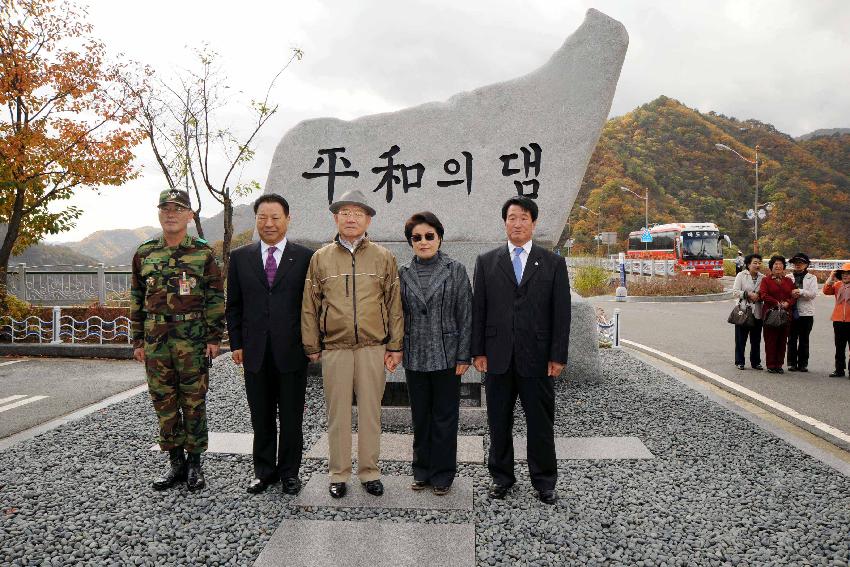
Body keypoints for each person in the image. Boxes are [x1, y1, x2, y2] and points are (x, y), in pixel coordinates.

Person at [301, 189, 404, 499]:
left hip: (373, 347)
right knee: (338, 414)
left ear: (368, 219)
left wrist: (395, 345)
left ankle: (370, 472)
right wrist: (311, 344)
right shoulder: (321, 258)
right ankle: (339, 473)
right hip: (335, 348)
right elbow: (310, 304)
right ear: (335, 218)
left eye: (357, 213)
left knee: (371, 412)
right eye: (345, 212)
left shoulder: (384, 257)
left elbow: (394, 304)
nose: (351, 218)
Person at [471, 196, 571, 505]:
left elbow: (561, 312)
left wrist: (557, 355)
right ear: (505, 222)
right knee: (498, 421)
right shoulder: (487, 261)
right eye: (512, 217)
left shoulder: (552, 262)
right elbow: (479, 310)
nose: (517, 223)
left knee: (540, 423)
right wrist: (479, 351)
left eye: (524, 218)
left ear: (534, 223)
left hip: (538, 359)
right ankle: (501, 477)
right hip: (498, 357)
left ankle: (544, 481)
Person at [130, 189, 225, 491]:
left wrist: (214, 337)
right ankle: (176, 464)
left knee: (194, 402)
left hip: (192, 339)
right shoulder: (145, 252)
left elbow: (214, 296)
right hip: (156, 341)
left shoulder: (202, 253)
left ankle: (195, 464)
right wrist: (137, 341)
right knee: (164, 403)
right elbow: (136, 298)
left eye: (178, 208)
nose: (171, 213)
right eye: (165, 208)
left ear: (190, 215)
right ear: (159, 213)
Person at [225, 194, 314, 495]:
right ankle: (264, 472)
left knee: (291, 418)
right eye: (263, 217)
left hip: (292, 351)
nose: (269, 223)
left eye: (275, 217)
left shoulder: (305, 258)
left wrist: (312, 343)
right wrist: (236, 342)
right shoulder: (240, 258)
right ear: (256, 220)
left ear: (288, 219)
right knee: (260, 417)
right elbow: (233, 305)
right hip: (255, 352)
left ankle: (290, 472)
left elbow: (313, 306)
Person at [398, 212, 472, 496]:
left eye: (429, 236)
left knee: (445, 417)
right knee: (420, 416)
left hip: (447, 355)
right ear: (410, 242)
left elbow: (466, 314)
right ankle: (421, 470)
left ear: (440, 237)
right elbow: (398, 315)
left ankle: (442, 474)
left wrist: (464, 355)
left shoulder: (456, 270)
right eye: (417, 237)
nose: (424, 241)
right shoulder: (402, 273)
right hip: (415, 355)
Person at [759, 255, 796, 374]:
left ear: (784, 267)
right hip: (770, 314)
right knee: (770, 339)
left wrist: (788, 303)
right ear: (771, 267)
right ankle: (771, 364)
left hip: (785, 314)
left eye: (780, 264)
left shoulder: (789, 281)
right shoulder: (766, 280)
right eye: (775, 264)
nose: (778, 266)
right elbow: (763, 295)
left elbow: (793, 296)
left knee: (782, 340)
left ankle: (779, 364)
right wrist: (777, 303)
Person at [732, 253, 764, 370]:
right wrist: (747, 294)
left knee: (756, 339)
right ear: (748, 264)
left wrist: (759, 296)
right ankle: (740, 361)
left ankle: (756, 362)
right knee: (741, 338)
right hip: (744, 311)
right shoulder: (741, 275)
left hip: (757, 312)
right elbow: (735, 292)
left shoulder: (763, 277)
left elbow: (765, 293)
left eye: (759, 263)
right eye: (754, 263)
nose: (757, 265)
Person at [786, 253, 818, 372]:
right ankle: (791, 363)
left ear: (806, 264)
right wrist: (791, 294)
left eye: (800, 262)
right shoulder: (788, 277)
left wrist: (800, 291)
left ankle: (803, 364)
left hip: (806, 313)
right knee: (792, 338)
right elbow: (784, 292)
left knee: (804, 339)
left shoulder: (812, 278)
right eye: (796, 262)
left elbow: (813, 294)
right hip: (791, 312)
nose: (798, 264)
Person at [823, 262, 850, 378]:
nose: (845, 275)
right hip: (838, 320)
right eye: (843, 273)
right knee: (839, 346)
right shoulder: (838, 285)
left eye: (848, 274)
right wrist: (831, 277)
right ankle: (839, 370)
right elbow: (826, 290)